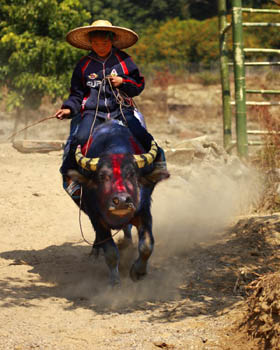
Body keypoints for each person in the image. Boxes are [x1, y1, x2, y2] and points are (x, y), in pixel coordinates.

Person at [55, 20, 167, 197]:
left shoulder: (124, 61)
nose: (101, 46)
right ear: (90, 43)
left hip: (121, 109)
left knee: (140, 133)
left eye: (105, 43)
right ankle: (70, 176)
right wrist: (68, 109)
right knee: (79, 138)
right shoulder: (83, 65)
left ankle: (159, 160)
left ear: (112, 41)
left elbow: (138, 84)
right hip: (93, 112)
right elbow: (76, 94)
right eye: (97, 43)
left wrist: (123, 82)